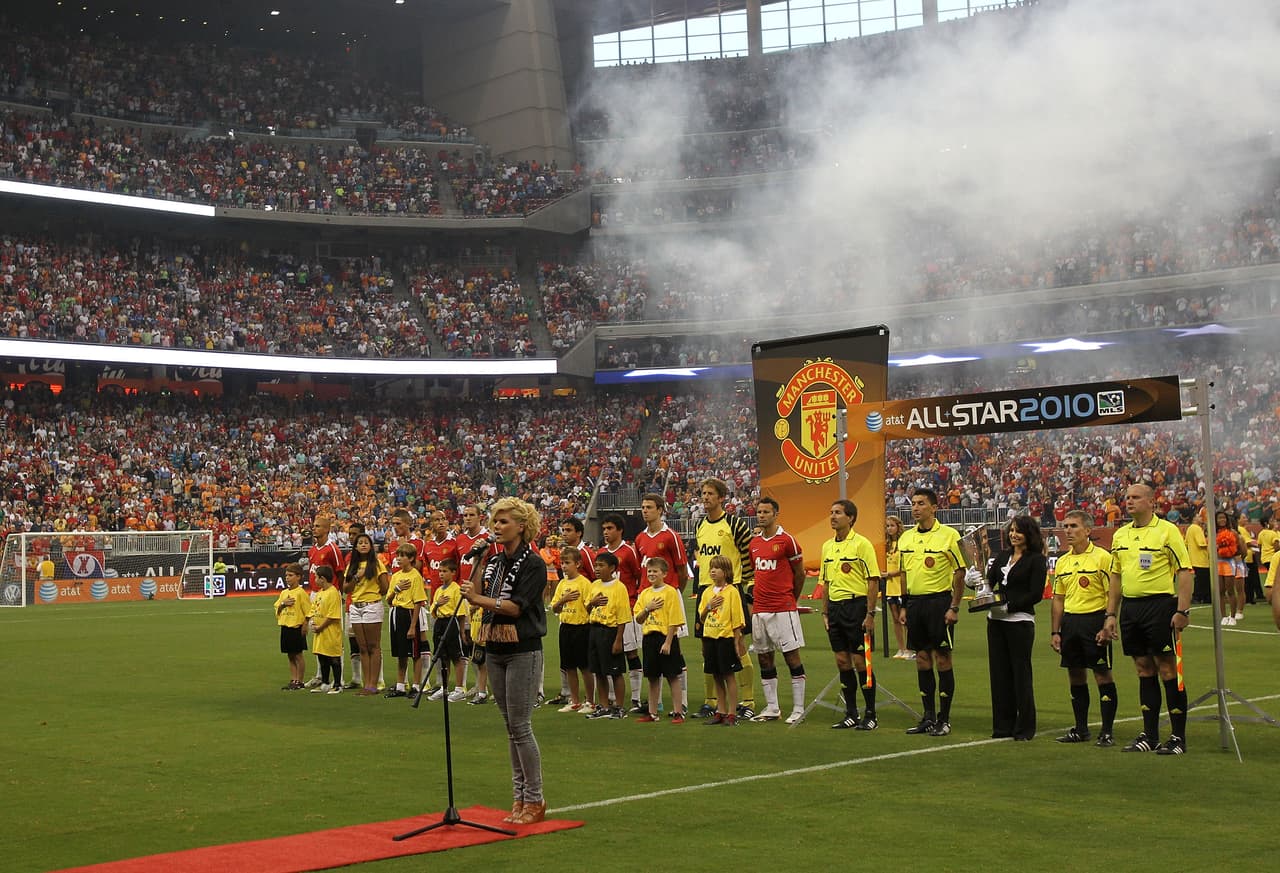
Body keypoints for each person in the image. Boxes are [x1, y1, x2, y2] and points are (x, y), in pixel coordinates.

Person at [459, 497, 549, 825]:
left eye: (504, 522)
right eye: (495, 522)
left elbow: (514, 607)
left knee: (521, 726)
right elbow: (483, 591)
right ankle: (519, 796)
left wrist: (477, 598)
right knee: (509, 726)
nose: (497, 527)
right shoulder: (495, 560)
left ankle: (535, 798)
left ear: (521, 527)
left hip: (523, 647)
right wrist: (481, 561)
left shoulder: (534, 563)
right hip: (495, 647)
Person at [1101, 483, 1193, 755]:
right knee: (1143, 668)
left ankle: (1177, 737)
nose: (1129, 501)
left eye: (1135, 497)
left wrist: (1182, 610)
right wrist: (1110, 614)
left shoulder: (1167, 531)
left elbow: (1185, 571)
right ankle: (1150, 735)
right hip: (1131, 609)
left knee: (1168, 669)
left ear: (1151, 502)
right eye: (1126, 497)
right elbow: (1115, 576)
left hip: (1160, 606)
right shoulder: (1120, 535)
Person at [896, 488, 967, 737]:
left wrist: (954, 606)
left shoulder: (949, 535)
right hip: (915, 604)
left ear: (934, 508)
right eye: (913, 504)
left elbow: (960, 572)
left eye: (921, 503)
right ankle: (927, 716)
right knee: (922, 659)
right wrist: (904, 604)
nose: (915, 508)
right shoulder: (905, 538)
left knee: (942, 658)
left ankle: (944, 719)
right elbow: (904, 573)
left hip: (939, 603)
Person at [1049, 510, 1118, 746]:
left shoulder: (1102, 558)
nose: (1068, 530)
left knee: (1102, 674)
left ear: (1088, 530)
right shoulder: (1062, 561)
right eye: (1065, 526)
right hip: (1070, 622)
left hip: (1094, 620)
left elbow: (1112, 593)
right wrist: (1055, 631)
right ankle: (1081, 729)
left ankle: (1107, 732)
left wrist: (1109, 620)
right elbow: (1058, 599)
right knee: (1075, 675)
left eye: (1074, 526)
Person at [977, 516, 1046, 741]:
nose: (1014, 535)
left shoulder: (1036, 560)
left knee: (1020, 675)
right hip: (995, 622)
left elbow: (1036, 593)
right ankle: (1002, 727)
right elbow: (989, 582)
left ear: (1029, 534)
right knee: (999, 675)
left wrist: (1010, 607)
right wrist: (976, 583)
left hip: (1020, 621)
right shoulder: (1003, 556)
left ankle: (1025, 728)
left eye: (1019, 531)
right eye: (1012, 530)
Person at [693, 477, 756, 719]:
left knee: (737, 645)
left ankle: (748, 701)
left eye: (710, 493)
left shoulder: (735, 524)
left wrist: (747, 587)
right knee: (706, 647)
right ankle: (712, 703)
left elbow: (747, 555)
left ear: (721, 498)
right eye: (703, 493)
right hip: (706, 590)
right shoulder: (699, 525)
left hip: (732, 590)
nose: (705, 497)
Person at [820, 500, 881, 730]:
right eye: (831, 512)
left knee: (861, 662)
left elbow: (872, 580)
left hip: (856, 608)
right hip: (835, 609)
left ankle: (871, 714)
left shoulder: (862, 544)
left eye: (838, 513)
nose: (833, 516)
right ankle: (851, 713)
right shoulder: (827, 546)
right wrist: (825, 612)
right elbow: (825, 583)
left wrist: (870, 613)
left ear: (851, 518)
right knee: (842, 661)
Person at [748, 496, 807, 724]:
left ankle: (799, 708)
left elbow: (799, 573)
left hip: (783, 607)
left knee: (791, 656)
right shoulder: (754, 544)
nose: (761, 515)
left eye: (766, 512)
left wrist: (791, 598)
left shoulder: (787, 541)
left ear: (775, 514)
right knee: (764, 657)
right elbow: (757, 573)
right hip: (760, 608)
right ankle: (772, 707)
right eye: (759, 512)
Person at [634, 492, 691, 717]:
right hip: (647, 599)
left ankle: (682, 703)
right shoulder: (640, 538)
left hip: (669, 597)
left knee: (675, 651)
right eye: (643, 507)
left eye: (649, 507)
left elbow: (682, 570)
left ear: (660, 510)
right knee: (650, 650)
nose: (645, 510)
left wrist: (675, 593)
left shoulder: (671, 536)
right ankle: (654, 705)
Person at [600, 512, 645, 713]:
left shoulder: (628, 551)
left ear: (619, 530)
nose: (606, 532)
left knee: (631, 652)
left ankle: (635, 698)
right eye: (604, 529)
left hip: (627, 610)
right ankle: (610, 698)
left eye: (610, 528)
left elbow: (638, 576)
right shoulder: (601, 553)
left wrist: (634, 602)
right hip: (606, 613)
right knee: (608, 654)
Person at [633, 557, 686, 723]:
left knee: (672, 675)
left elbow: (674, 619)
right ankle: (652, 712)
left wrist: (668, 642)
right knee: (653, 677)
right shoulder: (645, 594)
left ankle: (678, 711)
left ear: (664, 573)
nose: (651, 574)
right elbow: (638, 618)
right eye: (649, 571)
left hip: (665, 637)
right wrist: (648, 609)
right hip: (649, 638)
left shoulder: (670, 592)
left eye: (655, 571)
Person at [698, 555, 747, 726]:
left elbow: (737, 620)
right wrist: (709, 606)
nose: (712, 571)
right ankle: (721, 710)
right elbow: (702, 617)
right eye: (711, 568)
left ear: (725, 572)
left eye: (717, 568)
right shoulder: (707, 592)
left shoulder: (732, 592)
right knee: (716, 675)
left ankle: (732, 713)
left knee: (729, 675)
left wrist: (737, 641)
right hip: (710, 637)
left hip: (725, 638)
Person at [584, 551, 631, 719]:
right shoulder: (594, 585)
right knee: (598, 671)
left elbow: (623, 616)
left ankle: (619, 706)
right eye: (596, 565)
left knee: (615, 671)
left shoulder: (619, 587)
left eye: (601, 565)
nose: (597, 568)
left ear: (612, 568)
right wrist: (592, 603)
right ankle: (603, 706)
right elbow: (587, 609)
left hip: (610, 631)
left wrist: (618, 640)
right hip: (594, 629)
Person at [343, 533, 389, 696]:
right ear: (355, 547)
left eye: (366, 542)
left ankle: (373, 684)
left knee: (373, 646)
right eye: (360, 543)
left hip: (371, 605)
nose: (363, 545)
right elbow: (346, 588)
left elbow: (385, 588)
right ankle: (366, 683)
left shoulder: (376, 564)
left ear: (371, 546)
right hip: (355, 607)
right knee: (362, 647)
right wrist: (357, 576)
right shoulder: (352, 565)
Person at [550, 546, 595, 713]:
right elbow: (554, 608)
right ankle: (574, 700)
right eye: (562, 563)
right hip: (566, 627)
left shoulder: (584, 584)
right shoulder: (562, 583)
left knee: (585, 666)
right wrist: (563, 599)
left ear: (577, 564)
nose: (563, 566)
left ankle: (590, 701)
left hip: (582, 627)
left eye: (567, 562)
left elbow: (590, 607)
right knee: (568, 666)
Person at [303, 515, 346, 688]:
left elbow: (340, 572)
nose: (314, 528)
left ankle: (338, 679)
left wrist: (338, 593)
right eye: (314, 525)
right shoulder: (312, 549)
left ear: (327, 529)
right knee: (318, 635)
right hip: (315, 594)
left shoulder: (332, 549)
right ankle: (321, 675)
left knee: (334, 638)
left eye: (318, 526)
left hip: (330, 594)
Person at [384, 543, 428, 698]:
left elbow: (418, 602)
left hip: (409, 613)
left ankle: (416, 686)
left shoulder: (415, 576)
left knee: (415, 652)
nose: (399, 559)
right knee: (401, 652)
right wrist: (396, 589)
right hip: (396, 612)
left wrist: (413, 625)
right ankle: (400, 685)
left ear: (411, 558)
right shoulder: (395, 576)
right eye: (398, 555)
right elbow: (389, 600)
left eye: (403, 556)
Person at [427, 558, 468, 702]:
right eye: (440, 571)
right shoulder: (438, 590)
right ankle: (444, 688)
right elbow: (432, 609)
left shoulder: (456, 589)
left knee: (456, 656)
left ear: (453, 573)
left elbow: (461, 613)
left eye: (445, 571)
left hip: (452, 622)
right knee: (442, 657)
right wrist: (437, 605)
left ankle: (459, 688)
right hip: (440, 622)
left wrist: (462, 631)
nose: (441, 574)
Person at [273, 563, 311, 690]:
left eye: (290, 575)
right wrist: (283, 604)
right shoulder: (284, 593)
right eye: (286, 575)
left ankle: (300, 680)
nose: (287, 578)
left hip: (296, 627)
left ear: (298, 577)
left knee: (298, 655)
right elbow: (277, 608)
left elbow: (308, 611)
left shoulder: (301, 593)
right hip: (285, 626)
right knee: (290, 655)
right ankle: (293, 679)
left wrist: (305, 625)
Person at [307, 566, 343, 694]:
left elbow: (333, 615)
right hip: (319, 632)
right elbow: (313, 610)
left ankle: (338, 684)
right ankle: (325, 683)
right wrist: (312, 621)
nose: (314, 579)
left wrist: (320, 627)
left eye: (316, 577)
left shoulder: (333, 593)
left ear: (322, 579)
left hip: (330, 632)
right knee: (322, 657)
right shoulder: (320, 593)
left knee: (333, 658)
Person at [884, 515, 911, 660]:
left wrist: (889, 573)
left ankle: (909, 648)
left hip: (900, 584)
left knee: (904, 618)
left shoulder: (903, 544)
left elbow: (904, 568)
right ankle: (901, 648)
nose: (889, 529)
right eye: (887, 526)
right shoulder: (886, 545)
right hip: (890, 586)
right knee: (895, 618)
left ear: (898, 526)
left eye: (892, 525)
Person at [1214, 510, 1241, 626]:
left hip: (1229, 563)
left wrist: (1231, 553)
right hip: (1218, 563)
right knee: (1220, 591)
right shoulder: (1213, 532)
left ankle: (1233, 616)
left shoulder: (1233, 532)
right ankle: (1223, 616)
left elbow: (1239, 549)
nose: (1222, 520)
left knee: (1230, 590)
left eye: (1224, 518)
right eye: (1219, 518)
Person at [1183, 507, 1211, 605]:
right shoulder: (1197, 529)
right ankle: (1200, 597)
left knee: (1199, 579)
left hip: (1194, 559)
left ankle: (1199, 596)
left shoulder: (1190, 528)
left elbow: (1185, 543)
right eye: (1198, 516)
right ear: (1194, 519)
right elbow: (1202, 543)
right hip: (1201, 559)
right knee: (1203, 580)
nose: (1201, 518)